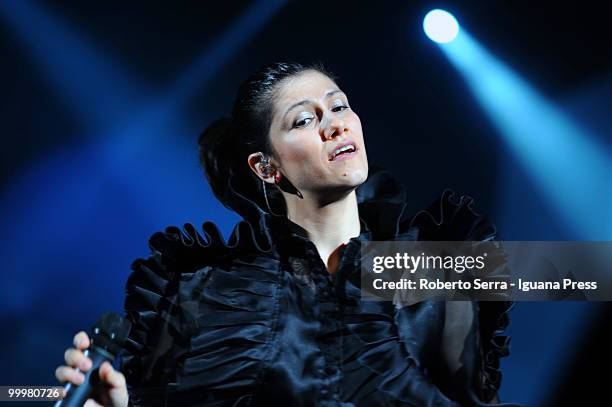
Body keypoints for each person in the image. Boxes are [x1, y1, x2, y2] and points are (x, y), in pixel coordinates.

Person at [54, 62, 518, 406]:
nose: (335, 122)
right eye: (305, 119)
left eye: (339, 106)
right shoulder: (206, 289)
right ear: (266, 167)